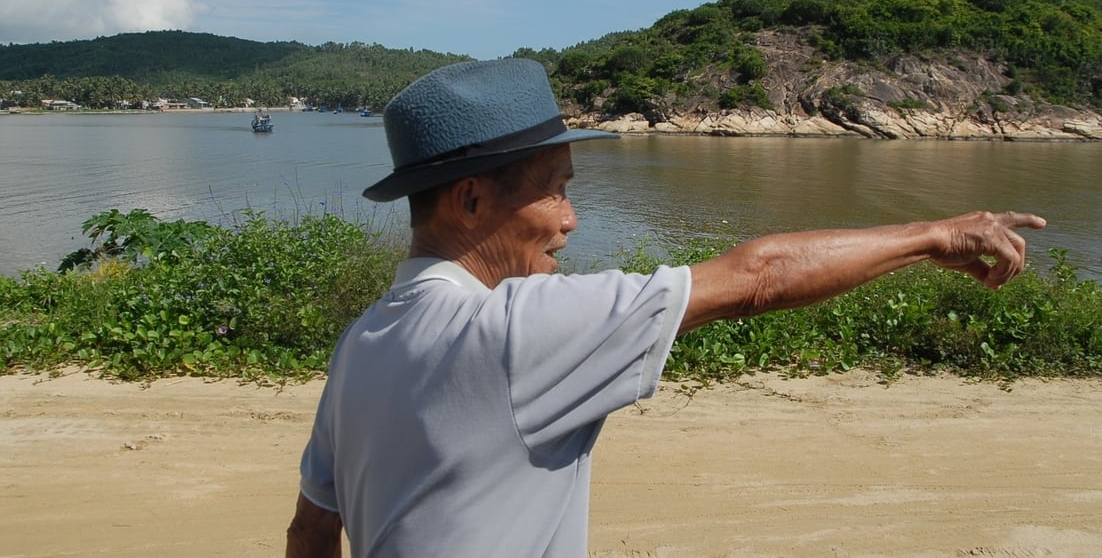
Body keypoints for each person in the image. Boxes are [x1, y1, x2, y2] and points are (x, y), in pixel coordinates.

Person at [286, 58, 1045, 557]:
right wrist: (935, 234)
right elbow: (758, 276)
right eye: (557, 188)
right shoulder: (513, 330)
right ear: (472, 198)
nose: (569, 219)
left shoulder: (361, 343)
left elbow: (313, 528)